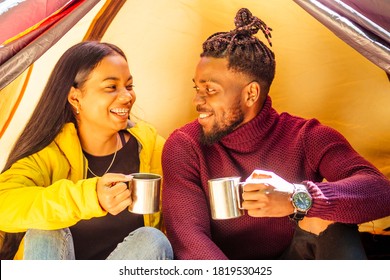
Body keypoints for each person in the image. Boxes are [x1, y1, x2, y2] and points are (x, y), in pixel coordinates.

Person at [161, 8, 390, 260]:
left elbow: (381, 192)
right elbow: (188, 240)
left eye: (210, 90)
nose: (197, 100)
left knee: (324, 217)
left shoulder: (305, 136)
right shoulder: (184, 146)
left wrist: (298, 197)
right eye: (197, 88)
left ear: (251, 94)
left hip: (293, 260)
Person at [0, 41, 173, 260]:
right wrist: (90, 197)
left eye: (129, 86)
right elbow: (4, 203)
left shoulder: (151, 148)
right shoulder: (51, 152)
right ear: (75, 98)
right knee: (46, 228)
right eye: (111, 87)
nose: (127, 96)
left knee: (151, 239)